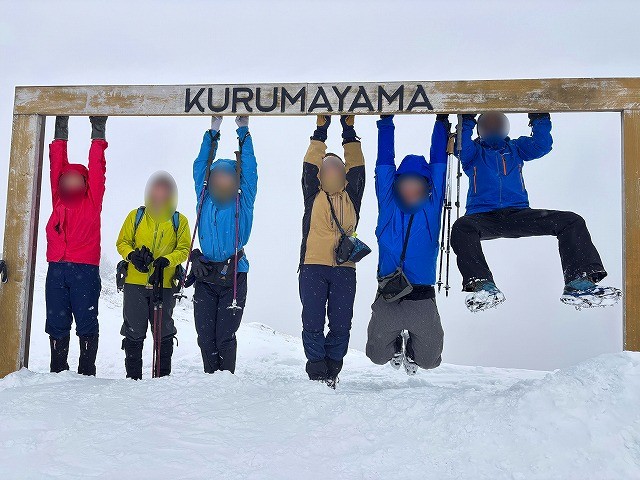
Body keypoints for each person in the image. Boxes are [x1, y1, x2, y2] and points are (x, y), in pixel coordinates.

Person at [450, 112, 621, 312]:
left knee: (571, 221)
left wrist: (539, 119)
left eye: (498, 124)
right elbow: (461, 145)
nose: (494, 128)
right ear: (480, 130)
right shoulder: (473, 152)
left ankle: (578, 282)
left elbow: (541, 145)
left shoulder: (514, 148)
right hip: (483, 216)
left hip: (517, 215)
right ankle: (482, 285)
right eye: (488, 125)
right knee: (462, 227)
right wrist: (467, 121)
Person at [365, 114, 448, 375]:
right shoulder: (388, 203)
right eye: (405, 184)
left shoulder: (432, 208)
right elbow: (384, 164)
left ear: (427, 188)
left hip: (421, 297)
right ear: (397, 186)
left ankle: (412, 351)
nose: (410, 189)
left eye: (417, 185)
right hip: (389, 293)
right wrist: (386, 122)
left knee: (429, 361)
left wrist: (442, 121)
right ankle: (395, 346)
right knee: (376, 356)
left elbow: (439, 163)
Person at [299, 115, 366, 387]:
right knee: (312, 323)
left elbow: (358, 166)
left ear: (344, 174)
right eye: (326, 167)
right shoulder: (312, 194)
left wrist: (349, 132)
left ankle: (333, 368)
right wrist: (320, 131)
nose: (331, 170)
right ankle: (317, 371)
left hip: (344, 269)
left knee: (341, 325)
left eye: (337, 167)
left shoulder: (353, 196)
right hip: (312, 267)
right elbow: (309, 165)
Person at [189, 115, 257, 374]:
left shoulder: (244, 200)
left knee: (224, 337)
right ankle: (211, 379)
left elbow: (249, 168)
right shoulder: (203, 196)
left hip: (234, 276)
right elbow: (200, 165)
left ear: (236, 182)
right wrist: (212, 132)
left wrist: (244, 132)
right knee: (205, 337)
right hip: (206, 275)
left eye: (228, 179)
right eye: (217, 177)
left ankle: (225, 383)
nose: (222, 182)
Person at [45, 115, 107, 375]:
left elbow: (97, 165)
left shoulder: (92, 199)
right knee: (57, 322)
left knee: (85, 322)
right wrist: (61, 127)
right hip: (57, 268)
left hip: (85, 270)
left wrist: (98, 133)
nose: (70, 182)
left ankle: (86, 371)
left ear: (85, 182)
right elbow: (56, 162)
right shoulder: (58, 198)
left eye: (76, 179)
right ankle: (58, 370)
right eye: (66, 179)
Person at [116, 172, 190, 379]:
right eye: (156, 189)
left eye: (164, 190)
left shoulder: (179, 220)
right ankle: (133, 379)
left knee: (163, 332)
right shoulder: (136, 216)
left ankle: (162, 379)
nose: (160, 193)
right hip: (134, 283)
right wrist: (132, 256)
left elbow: (184, 248)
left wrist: (167, 260)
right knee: (133, 331)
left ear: (170, 192)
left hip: (164, 284)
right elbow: (122, 242)